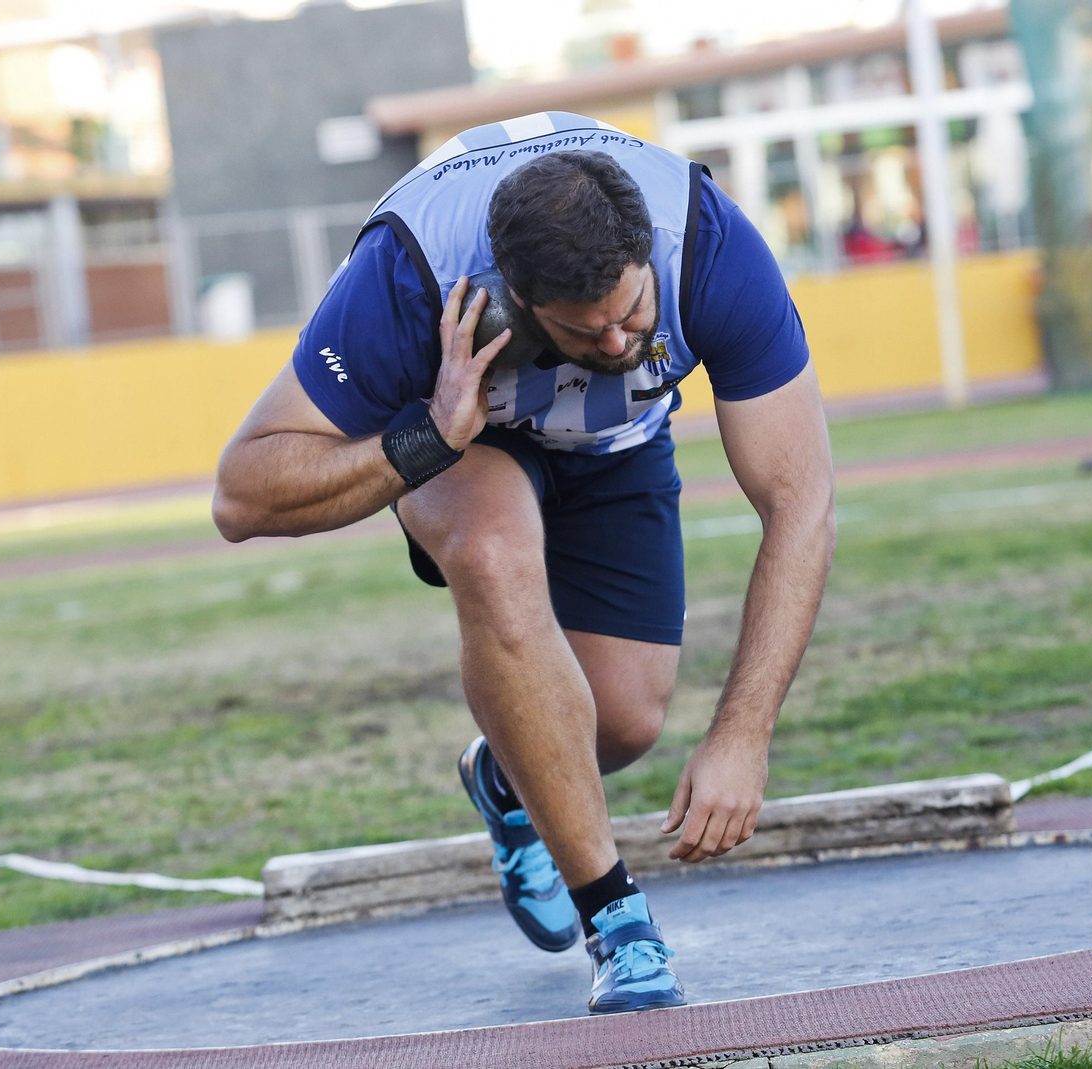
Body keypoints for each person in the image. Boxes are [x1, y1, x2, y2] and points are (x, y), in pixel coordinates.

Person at [212, 113, 835, 1015]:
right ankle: (619, 925)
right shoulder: (409, 277)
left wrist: (744, 733)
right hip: (467, 441)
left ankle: (505, 773)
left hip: (618, 448)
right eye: (586, 333)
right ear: (515, 299)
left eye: (631, 313)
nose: (619, 345)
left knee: (618, 721)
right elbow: (241, 494)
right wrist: (428, 436)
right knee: (493, 548)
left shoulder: (709, 245)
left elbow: (800, 500)